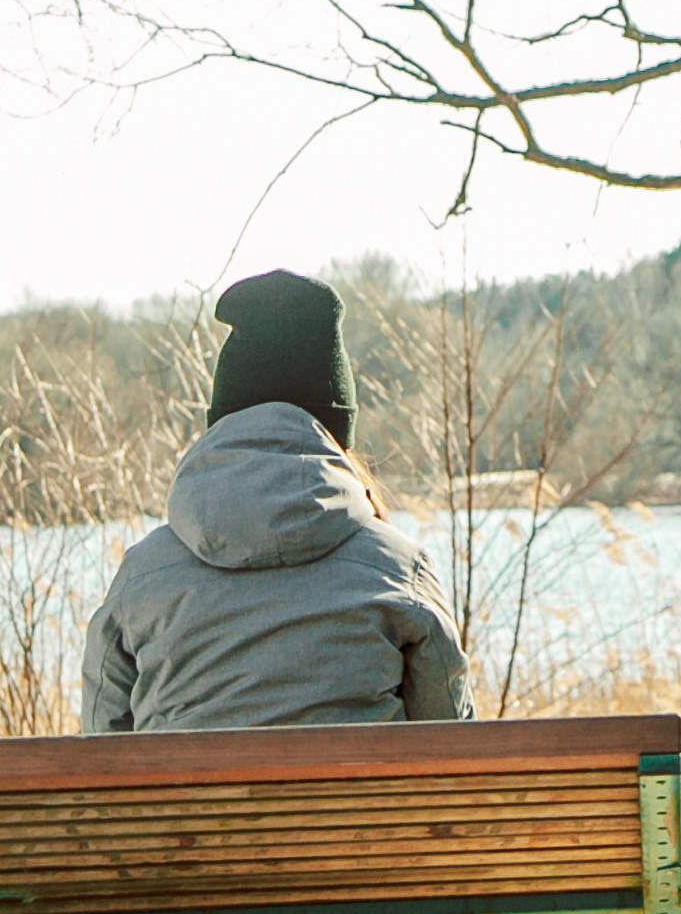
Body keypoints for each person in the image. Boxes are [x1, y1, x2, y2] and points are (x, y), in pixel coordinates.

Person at [82, 267, 474, 733]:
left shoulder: (142, 578)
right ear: (337, 434)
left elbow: (100, 746)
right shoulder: (399, 572)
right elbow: (452, 745)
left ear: (222, 422)